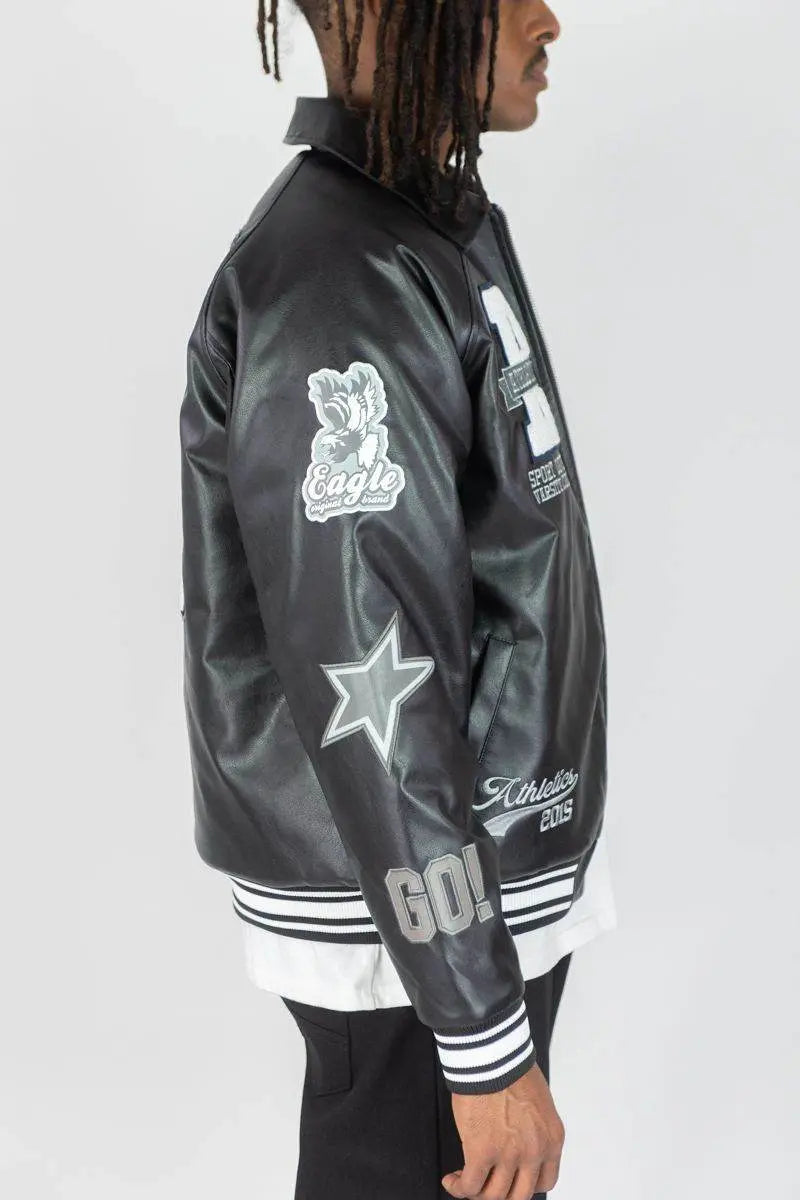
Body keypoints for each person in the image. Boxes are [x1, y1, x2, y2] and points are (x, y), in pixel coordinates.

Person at [178, 2, 617, 1197]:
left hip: (449, 892)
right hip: (410, 925)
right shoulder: (342, 274)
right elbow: (368, 660)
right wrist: (476, 1034)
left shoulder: (417, 226)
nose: (545, 19)